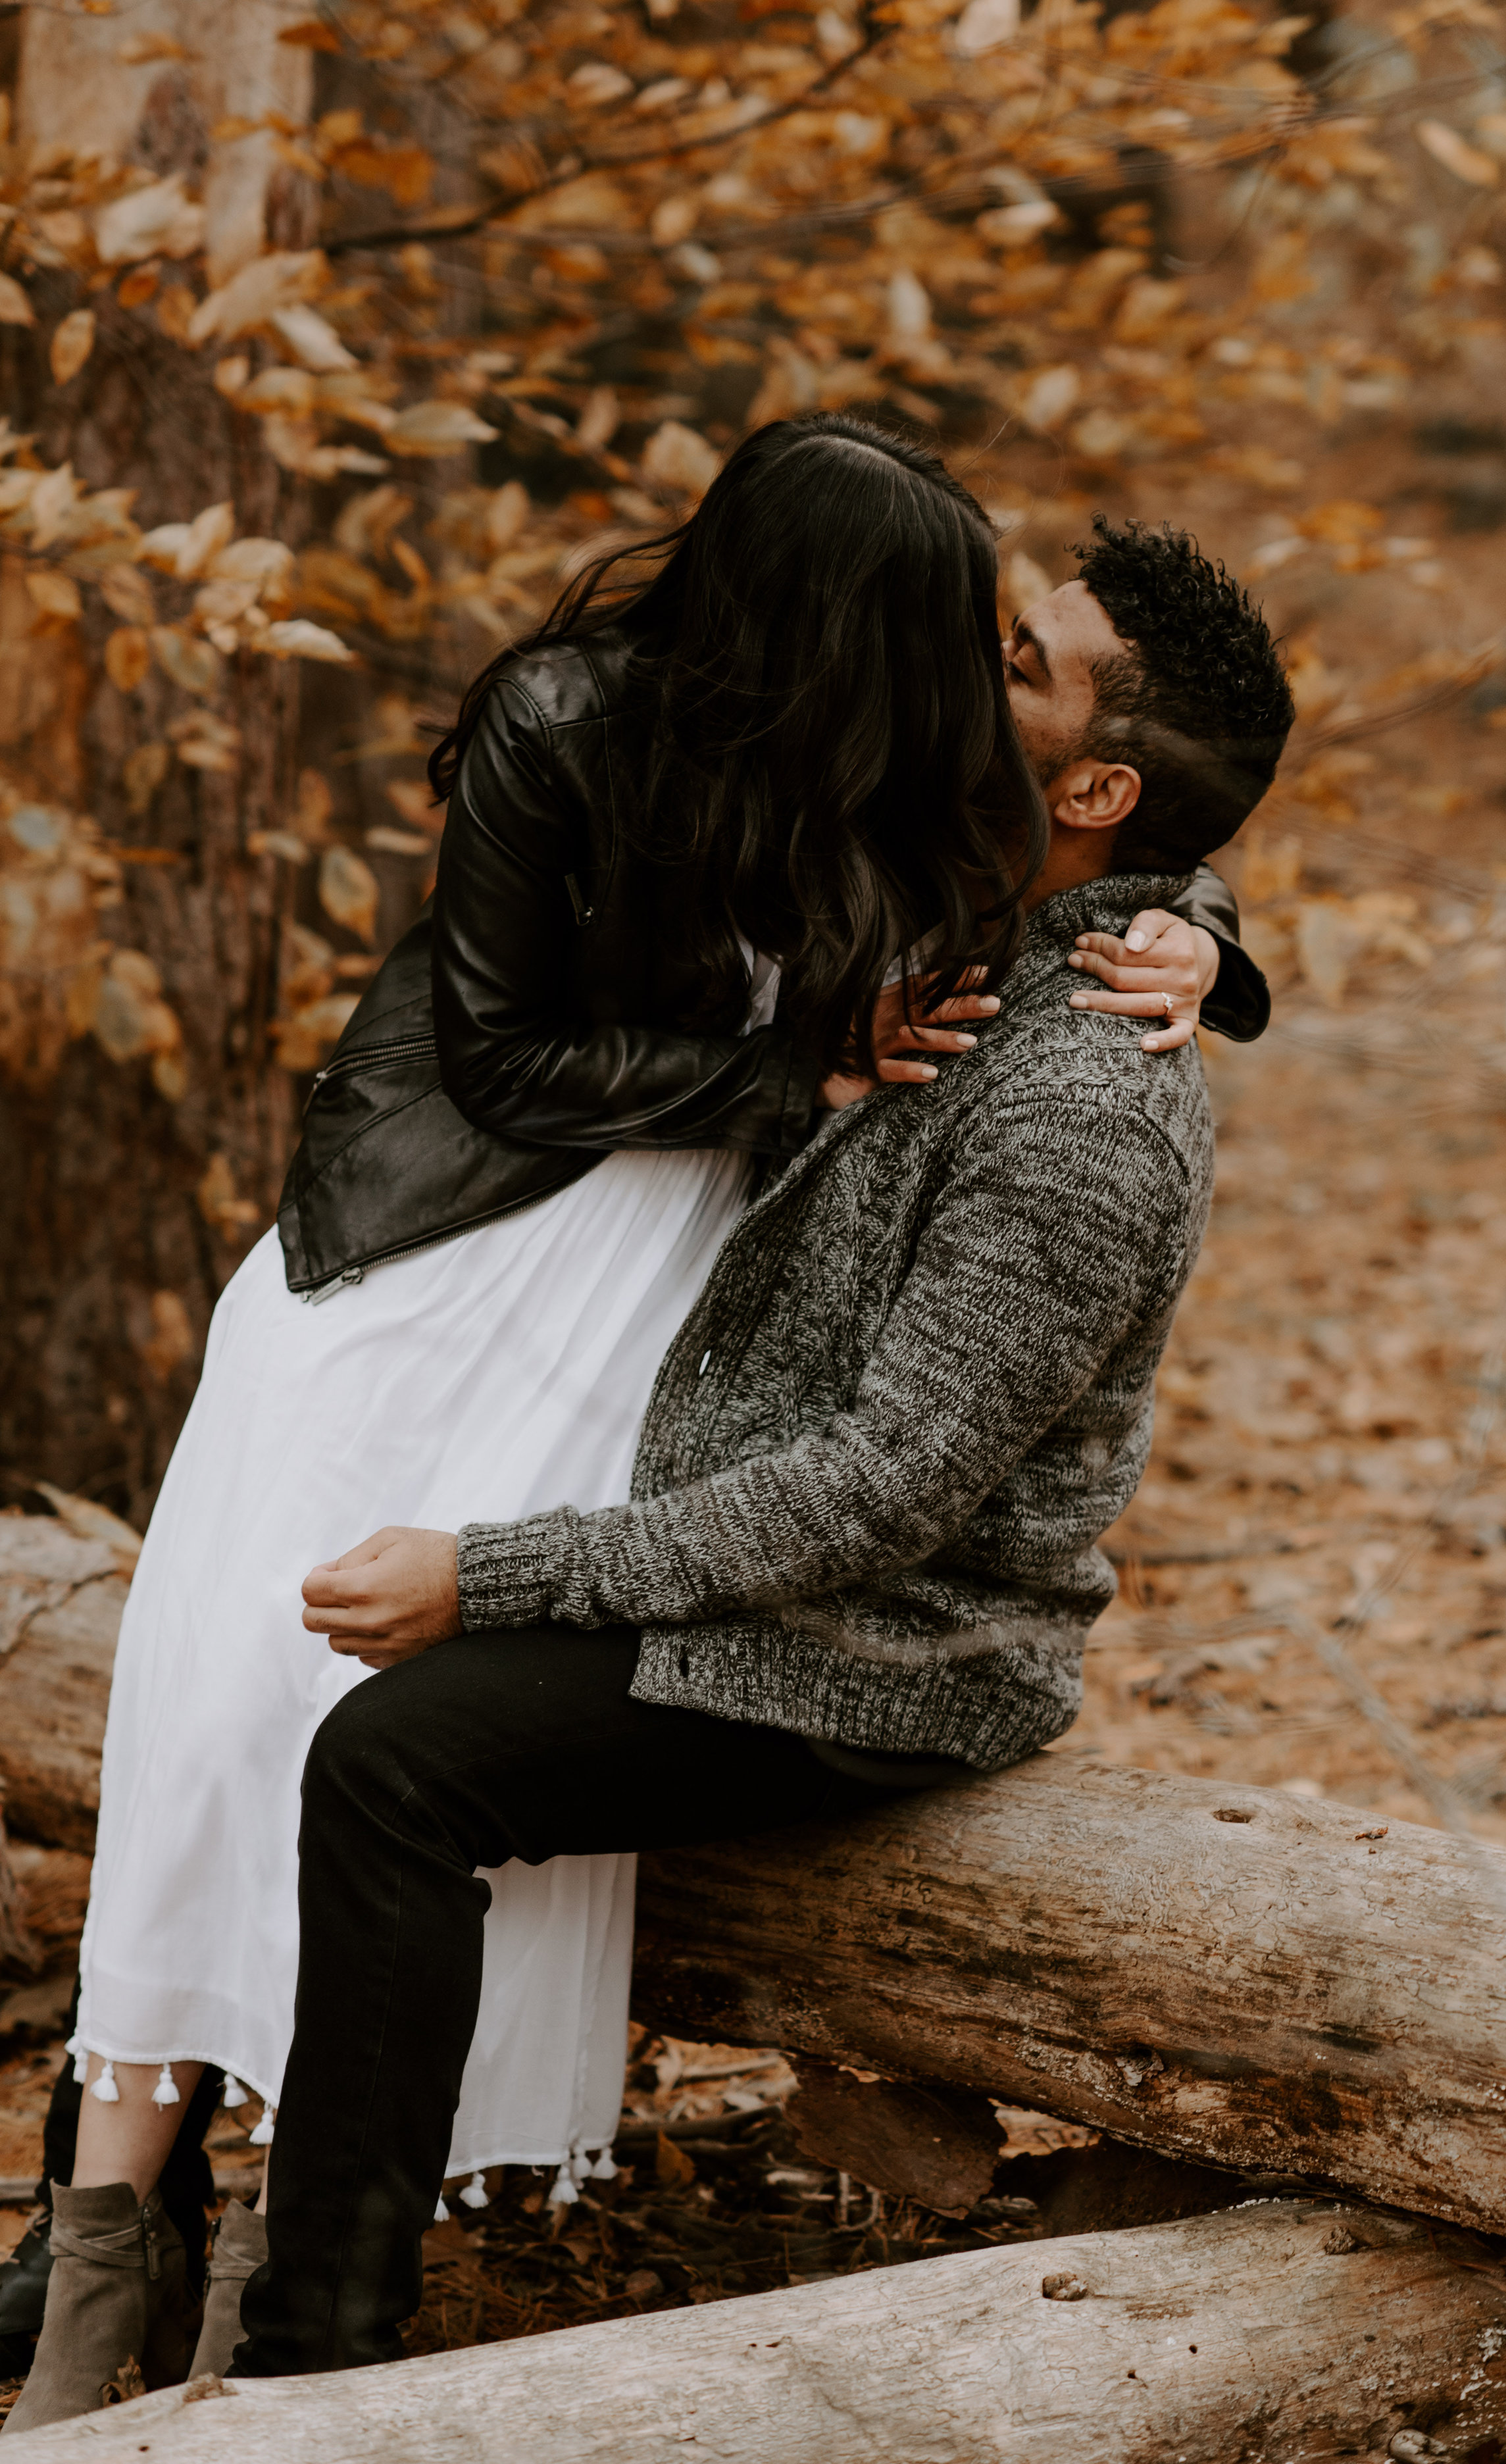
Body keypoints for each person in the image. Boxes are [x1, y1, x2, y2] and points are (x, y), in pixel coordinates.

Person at [2, 431, 1257, 2429]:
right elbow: (502, 1040)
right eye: (974, 636)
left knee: (362, 1733)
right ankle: (108, 2243)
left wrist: (1219, 945)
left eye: (1009, 653)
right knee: (232, 1693)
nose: (971, 665)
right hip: (464, 1247)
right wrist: (806, 1052)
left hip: (762, 1471)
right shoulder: (666, 738)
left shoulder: (1052, 988)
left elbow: (1162, 830)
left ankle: (291, 2322)